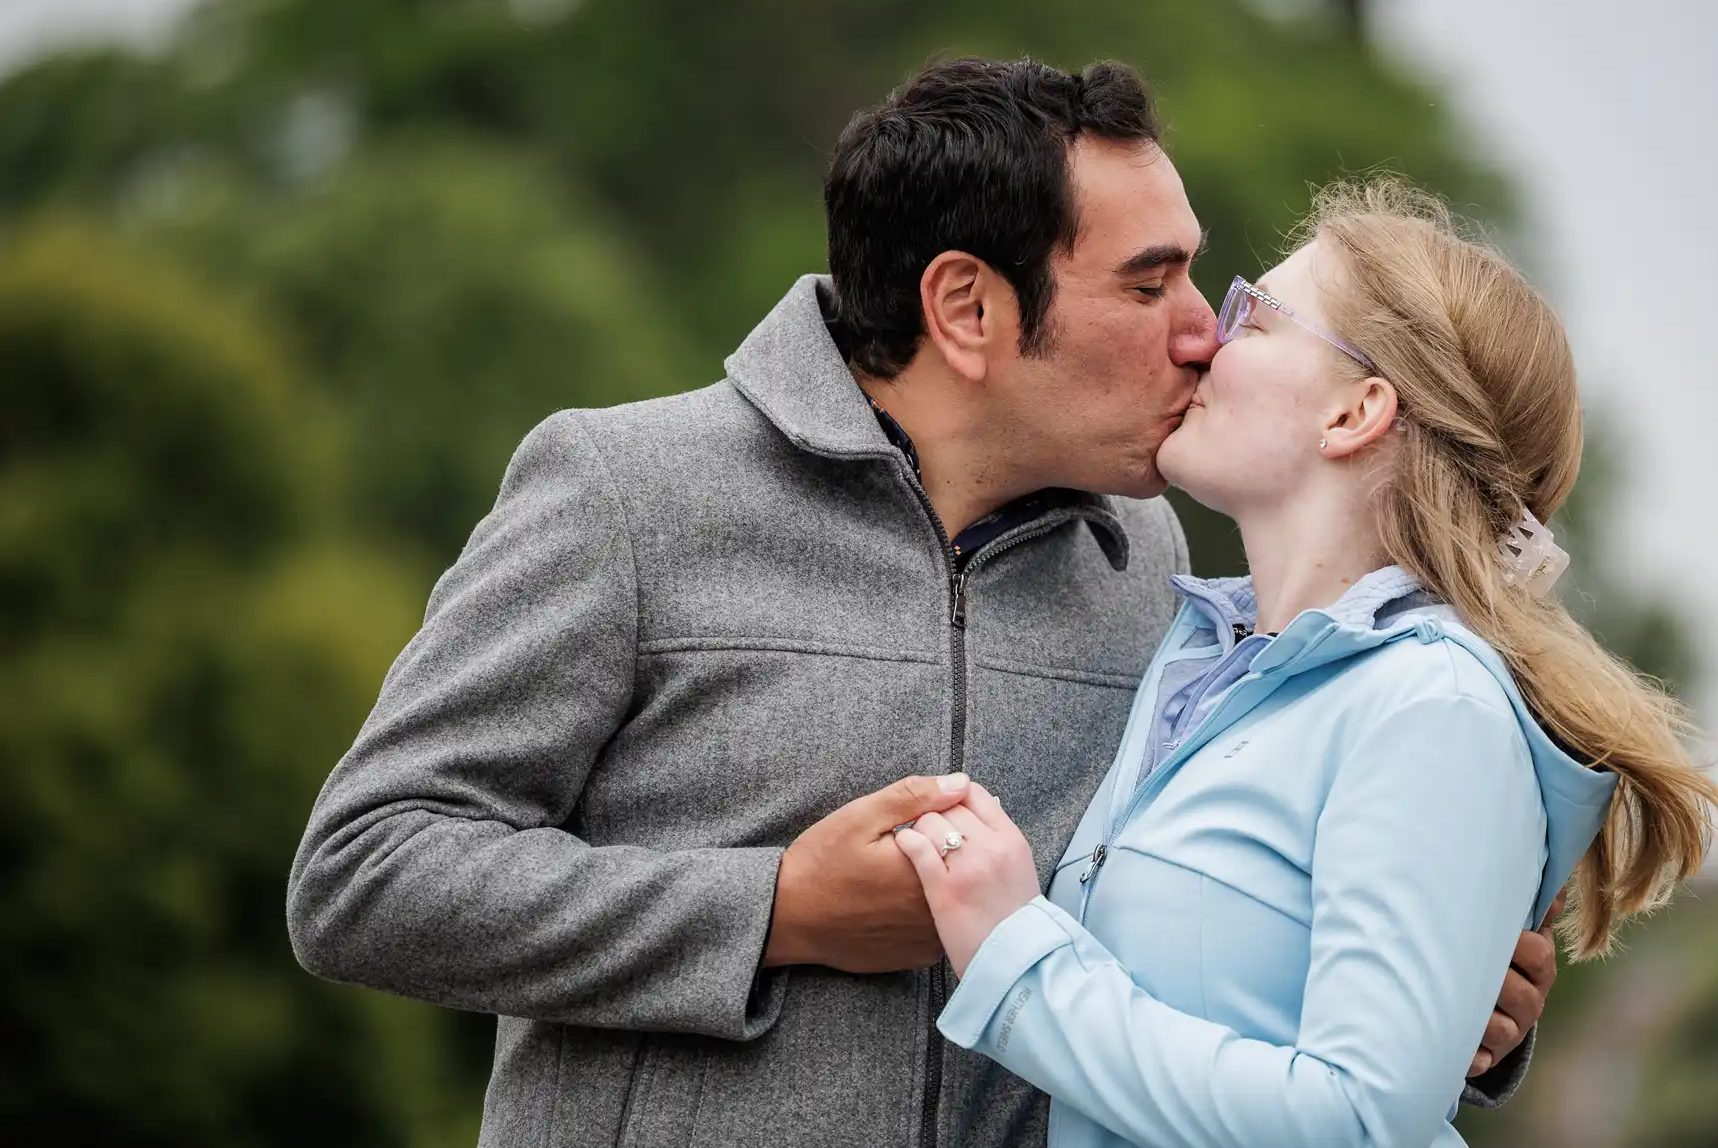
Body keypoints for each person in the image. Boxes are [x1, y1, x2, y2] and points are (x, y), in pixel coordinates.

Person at [287, 60, 1558, 1148]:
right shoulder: (627, 494)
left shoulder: (1158, 578)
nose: (1200, 333)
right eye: (1146, 283)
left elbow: (1213, 952)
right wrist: (776, 909)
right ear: (966, 307)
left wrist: (1438, 1002)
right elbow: (364, 873)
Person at [889, 179, 1718, 1148]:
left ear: (1355, 411)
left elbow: (1356, 1121)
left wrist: (1012, 957)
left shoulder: (1433, 706)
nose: (1204, 335)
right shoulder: (1195, 659)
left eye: (1252, 314)